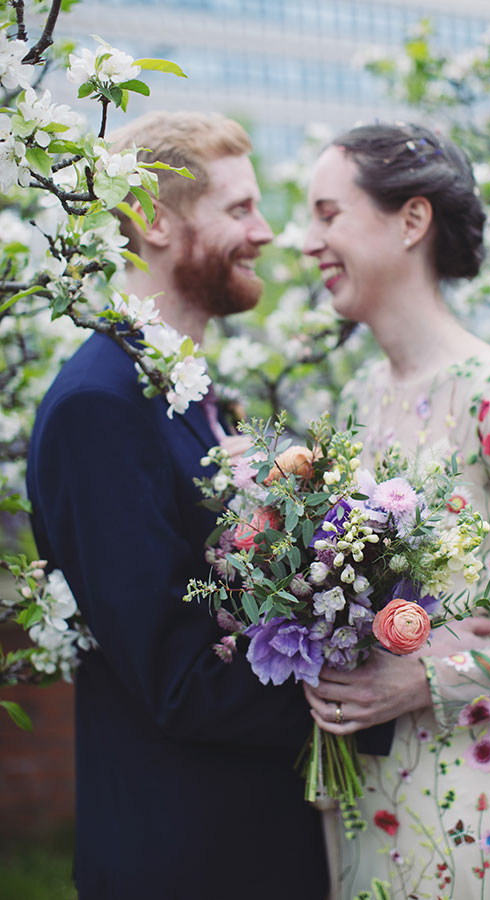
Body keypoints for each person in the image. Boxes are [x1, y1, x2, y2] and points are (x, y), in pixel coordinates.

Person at [26, 111, 330, 900]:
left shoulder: (192, 397)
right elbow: (175, 678)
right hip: (187, 859)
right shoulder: (101, 404)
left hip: (253, 841)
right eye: (239, 209)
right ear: (152, 221)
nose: (265, 232)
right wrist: (357, 689)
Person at [302, 122, 490, 899]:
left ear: (411, 220)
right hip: (358, 803)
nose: (309, 242)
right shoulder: (354, 400)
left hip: (475, 812)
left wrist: (436, 679)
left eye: (328, 214)